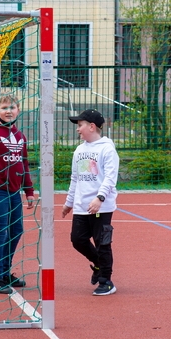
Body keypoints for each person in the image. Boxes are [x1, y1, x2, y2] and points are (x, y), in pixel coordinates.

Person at [61, 109, 120, 296]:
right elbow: (75, 178)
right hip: (81, 205)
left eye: (80, 125)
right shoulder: (79, 150)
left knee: (102, 243)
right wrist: (69, 202)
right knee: (77, 240)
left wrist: (100, 198)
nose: (78, 129)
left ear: (92, 127)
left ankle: (106, 281)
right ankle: (98, 264)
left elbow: (110, 177)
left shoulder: (107, 149)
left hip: (101, 206)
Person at [0, 95, 35, 294]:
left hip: (13, 192)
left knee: (16, 230)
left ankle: (5, 272)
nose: (8, 110)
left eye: (12, 107)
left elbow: (24, 165)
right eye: (4, 107)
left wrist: (29, 191)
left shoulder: (20, 136)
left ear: (18, 110)